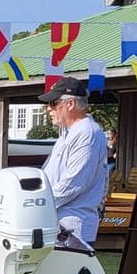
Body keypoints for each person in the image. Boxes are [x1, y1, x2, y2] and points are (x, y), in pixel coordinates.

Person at [38, 77, 109, 249]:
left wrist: (36, 204)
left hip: (73, 228)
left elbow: (73, 183)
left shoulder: (87, 133)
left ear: (70, 104)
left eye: (54, 103)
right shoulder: (69, 132)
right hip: (58, 225)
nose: (49, 109)